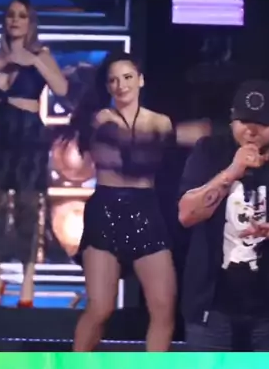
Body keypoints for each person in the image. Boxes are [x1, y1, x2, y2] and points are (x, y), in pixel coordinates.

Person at [66, 52, 209, 352]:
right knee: (101, 308)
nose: (121, 85)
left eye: (128, 77)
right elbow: (126, 146)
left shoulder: (160, 121)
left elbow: (162, 140)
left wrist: (197, 133)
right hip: (106, 210)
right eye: (114, 80)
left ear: (141, 80)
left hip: (145, 210)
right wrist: (182, 134)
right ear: (107, 86)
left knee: (164, 307)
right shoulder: (100, 120)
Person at [178, 79, 269, 351]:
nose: (251, 131)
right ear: (231, 119)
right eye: (244, 121)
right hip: (211, 303)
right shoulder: (209, 152)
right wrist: (232, 172)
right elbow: (187, 214)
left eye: (261, 123)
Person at [0, 0, 68, 306]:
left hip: (29, 138)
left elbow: (62, 89)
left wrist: (33, 61)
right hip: (0, 136)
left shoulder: (41, 54)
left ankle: (27, 284)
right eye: (11, 15)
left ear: (30, 22)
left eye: (21, 15)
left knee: (28, 209)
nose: (15, 20)